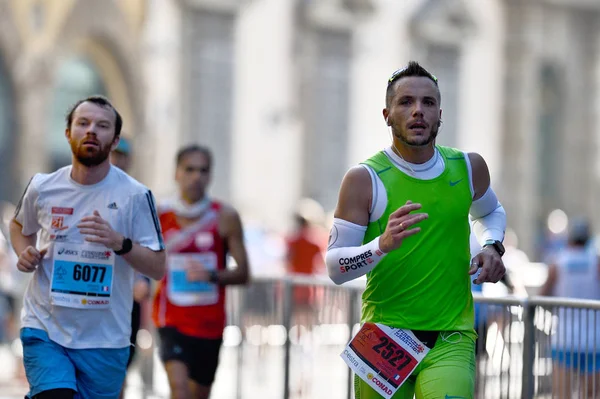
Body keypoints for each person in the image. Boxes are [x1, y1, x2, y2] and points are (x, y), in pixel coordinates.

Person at [326, 61, 507, 399]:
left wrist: (492, 246)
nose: (418, 111)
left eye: (427, 103)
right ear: (387, 114)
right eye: (406, 102)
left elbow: (491, 212)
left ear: (440, 113)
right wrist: (380, 245)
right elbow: (335, 268)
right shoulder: (364, 179)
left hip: (451, 335)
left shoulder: (468, 167)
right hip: (384, 336)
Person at [9, 95, 166, 399]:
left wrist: (119, 242)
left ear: (115, 139)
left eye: (102, 125)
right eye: (83, 123)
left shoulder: (135, 196)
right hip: (46, 327)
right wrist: (24, 251)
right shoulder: (42, 186)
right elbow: (19, 227)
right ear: (68, 133)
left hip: (105, 339)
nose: (91, 130)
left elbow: (158, 267)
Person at [152, 144, 250, 399]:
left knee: (198, 394)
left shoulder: (225, 216)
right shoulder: (158, 215)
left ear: (210, 176)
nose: (196, 176)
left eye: (203, 170)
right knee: (179, 389)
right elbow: (142, 259)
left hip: (209, 324)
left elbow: (244, 273)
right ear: (177, 173)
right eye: (190, 169)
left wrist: (212, 275)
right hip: (170, 319)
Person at [109, 137, 152, 398]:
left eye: (122, 155)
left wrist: (143, 280)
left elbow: (149, 245)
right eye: (114, 154)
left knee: (122, 363)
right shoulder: (83, 190)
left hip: (126, 296)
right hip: (89, 293)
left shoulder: (139, 197)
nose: (117, 160)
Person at [539, 218, 600, 399]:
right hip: (594, 341)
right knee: (591, 394)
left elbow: (543, 296)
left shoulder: (558, 262)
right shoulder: (596, 263)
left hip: (564, 339)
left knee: (562, 393)